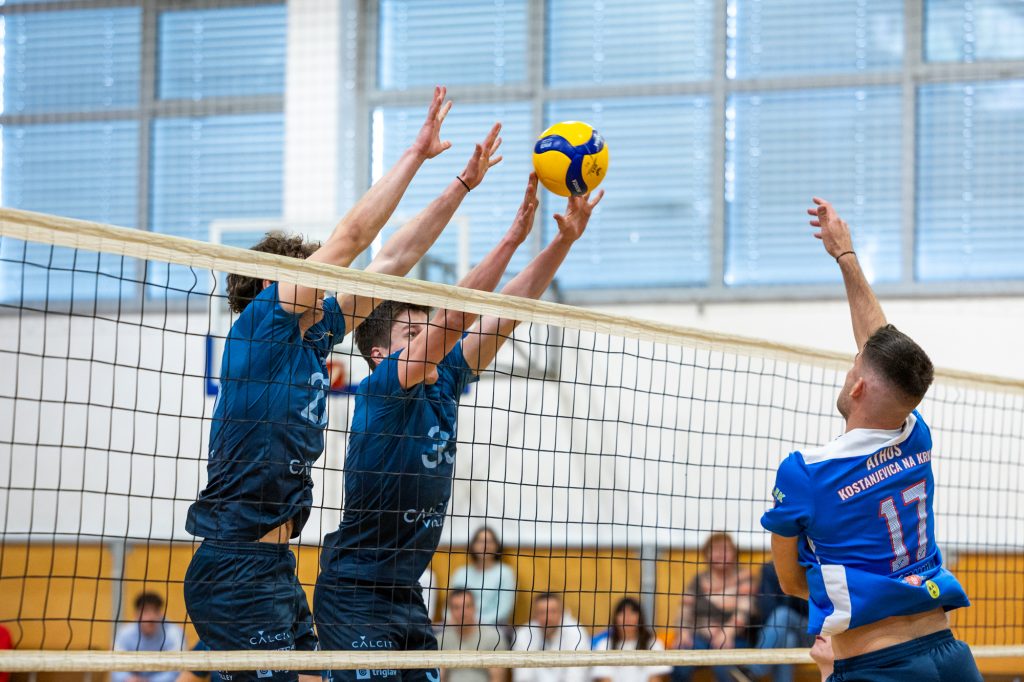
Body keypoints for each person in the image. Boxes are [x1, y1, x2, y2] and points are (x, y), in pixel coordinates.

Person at [184, 85, 506, 682]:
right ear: (276, 284)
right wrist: (414, 153)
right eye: (310, 274)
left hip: (273, 567)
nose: (326, 282)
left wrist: (462, 185)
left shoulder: (313, 338)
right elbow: (354, 239)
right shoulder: (261, 330)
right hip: (235, 564)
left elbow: (392, 262)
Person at [314, 176, 603, 682]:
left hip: (406, 593)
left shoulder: (444, 378)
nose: (429, 339)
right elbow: (455, 315)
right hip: (355, 595)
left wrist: (563, 240)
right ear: (379, 354)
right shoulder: (381, 390)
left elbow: (509, 310)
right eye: (413, 333)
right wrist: (511, 238)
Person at [760, 198, 980, 681]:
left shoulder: (806, 473)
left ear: (858, 387)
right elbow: (881, 349)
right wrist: (846, 255)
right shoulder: (914, 435)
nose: (852, 365)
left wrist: (847, 607)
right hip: (951, 656)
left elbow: (791, 583)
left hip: (880, 665)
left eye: (853, 365)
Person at [670, 532, 754, 682]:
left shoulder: (744, 577)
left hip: (735, 637)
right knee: (680, 657)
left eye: (725, 549)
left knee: (723, 665)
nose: (720, 554)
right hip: (700, 636)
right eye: (715, 549)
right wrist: (683, 632)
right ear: (707, 554)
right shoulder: (698, 580)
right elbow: (684, 609)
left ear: (734, 553)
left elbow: (745, 610)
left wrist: (727, 632)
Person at [745, 562, 812, 682]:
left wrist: (792, 586)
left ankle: (753, 671)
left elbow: (811, 609)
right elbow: (766, 609)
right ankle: (752, 672)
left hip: (810, 631)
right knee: (787, 639)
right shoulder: (769, 569)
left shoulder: (809, 565)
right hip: (778, 631)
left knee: (782, 614)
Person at [511, 593, 590, 682]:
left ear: (562, 613)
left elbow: (576, 676)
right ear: (534, 615)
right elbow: (523, 677)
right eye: (542, 612)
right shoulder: (524, 634)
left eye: (553, 611)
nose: (548, 618)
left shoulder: (576, 632)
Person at [448, 526, 517, 629]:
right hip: (460, 624)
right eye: (480, 541)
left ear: (496, 546)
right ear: (473, 545)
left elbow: (504, 610)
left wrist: (476, 623)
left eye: (489, 542)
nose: (485, 546)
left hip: (493, 626)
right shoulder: (461, 573)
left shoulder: (505, 573)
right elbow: (449, 606)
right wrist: (451, 619)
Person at [591, 597, 670, 682]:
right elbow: (604, 679)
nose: (627, 617)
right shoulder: (604, 645)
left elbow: (656, 678)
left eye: (632, 612)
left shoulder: (653, 644)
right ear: (615, 618)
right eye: (622, 612)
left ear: (640, 617)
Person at [112, 592, 185, 682]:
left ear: (161, 613)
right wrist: (128, 679)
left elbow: (178, 671)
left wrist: (150, 681)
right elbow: (116, 668)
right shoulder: (125, 634)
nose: (151, 617)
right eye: (145, 611)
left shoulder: (174, 633)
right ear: (136, 614)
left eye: (155, 611)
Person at [438, 589, 508, 682]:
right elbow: (440, 677)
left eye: (467, 606)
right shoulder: (441, 639)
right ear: (450, 610)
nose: (462, 612)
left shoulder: (494, 637)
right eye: (456, 607)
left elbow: (497, 678)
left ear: (475, 607)